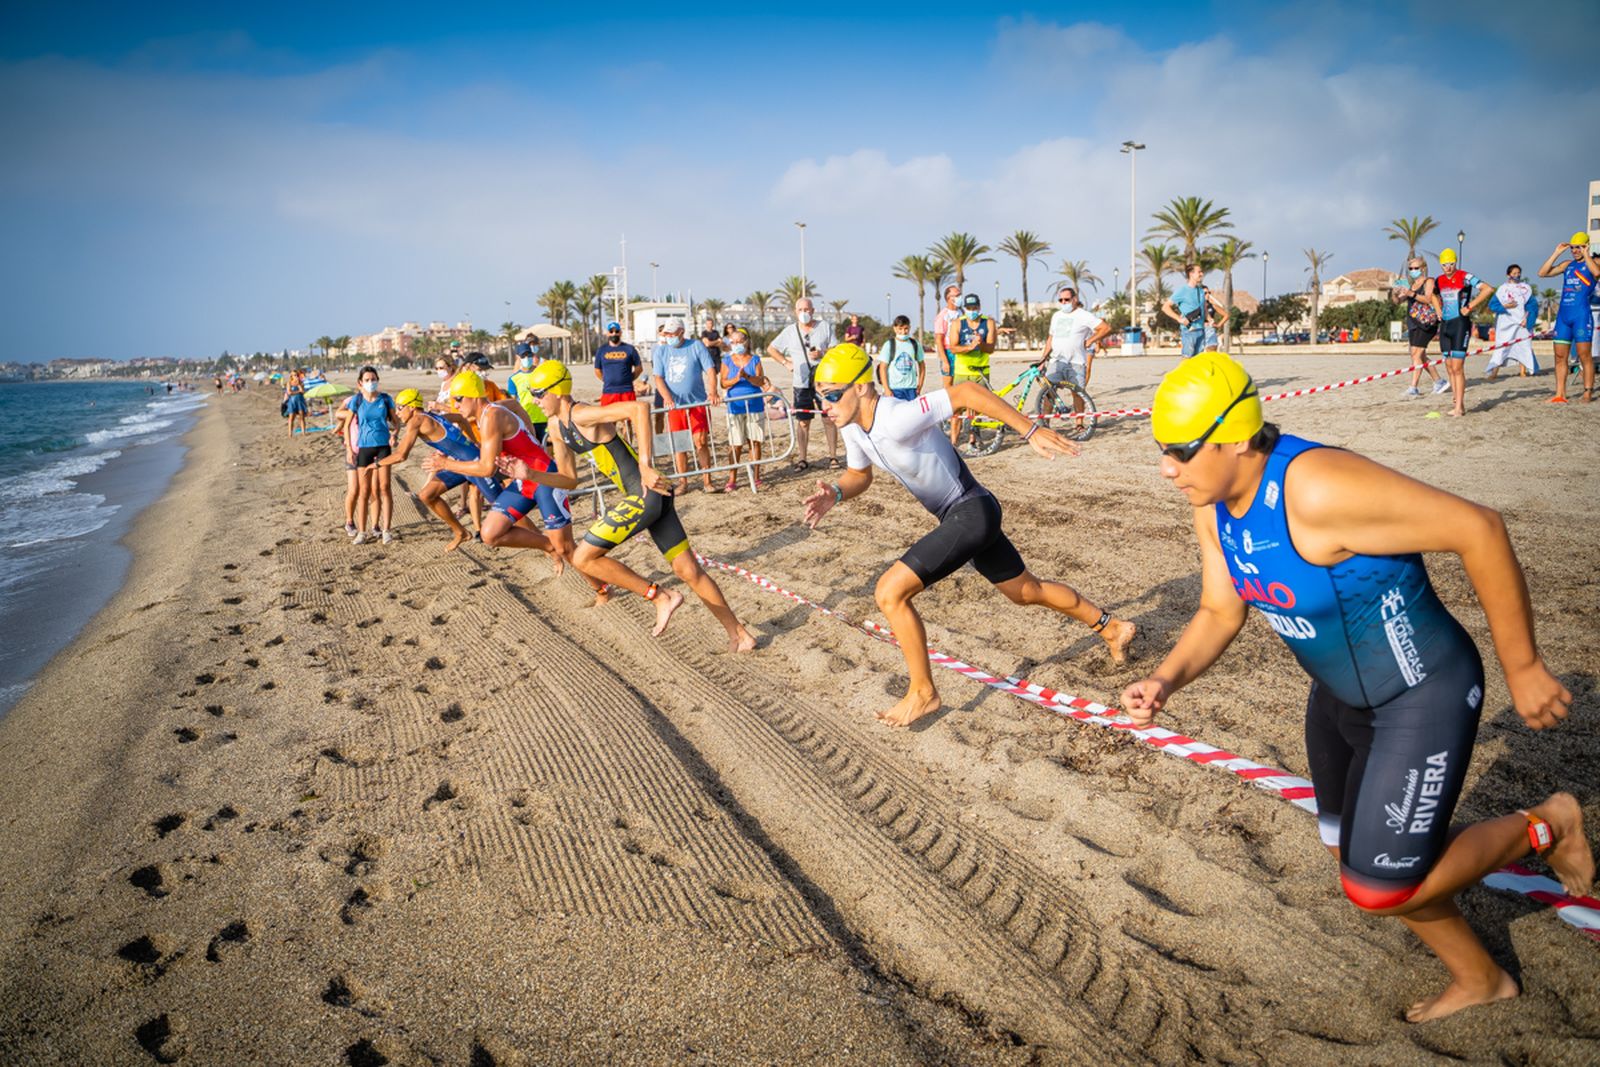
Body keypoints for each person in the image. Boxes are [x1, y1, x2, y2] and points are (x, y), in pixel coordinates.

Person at [1124, 351, 1591, 1023]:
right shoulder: (1214, 500)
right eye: (1162, 451)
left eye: (1180, 451)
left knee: (1377, 887)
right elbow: (1220, 610)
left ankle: (1549, 824)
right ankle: (1482, 977)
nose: (1167, 468)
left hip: (1421, 692)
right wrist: (1164, 679)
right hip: (1339, 697)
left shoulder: (1319, 489)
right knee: (1353, 849)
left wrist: (1523, 667)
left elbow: (1479, 528)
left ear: (1235, 438)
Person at [801, 345, 1136, 728]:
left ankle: (923, 692)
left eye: (831, 395)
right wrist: (836, 493)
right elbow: (859, 475)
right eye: (820, 397)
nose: (825, 406)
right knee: (1026, 591)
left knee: (890, 593)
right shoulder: (852, 428)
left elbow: (966, 392)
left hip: (971, 511)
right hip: (963, 515)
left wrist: (1029, 430)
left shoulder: (896, 417)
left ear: (861, 387)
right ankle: (1112, 627)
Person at [519, 359, 756, 651]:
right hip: (653, 494)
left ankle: (661, 596)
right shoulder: (556, 427)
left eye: (539, 393)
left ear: (557, 391)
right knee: (688, 571)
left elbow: (639, 409)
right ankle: (740, 635)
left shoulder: (582, 414)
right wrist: (531, 475)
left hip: (645, 494)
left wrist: (645, 464)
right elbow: (569, 479)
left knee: (582, 558)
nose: (535, 400)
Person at [424, 371, 596, 586]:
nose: (455, 405)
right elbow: (515, 405)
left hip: (544, 477)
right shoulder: (489, 411)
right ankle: (548, 545)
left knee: (566, 548)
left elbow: (487, 469)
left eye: (458, 399)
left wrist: (445, 464)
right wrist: (529, 434)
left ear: (474, 396)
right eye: (452, 400)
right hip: (523, 480)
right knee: (490, 534)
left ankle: (601, 588)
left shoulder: (492, 416)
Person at [379, 389, 499, 552]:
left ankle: (533, 537)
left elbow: (401, 455)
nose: (397, 413)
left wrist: (376, 464)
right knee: (426, 495)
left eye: (400, 407)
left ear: (412, 407)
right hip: (461, 465)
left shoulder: (416, 420)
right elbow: (460, 418)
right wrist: (473, 441)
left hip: (475, 464)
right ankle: (461, 532)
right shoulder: (432, 416)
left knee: (504, 508)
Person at [766, 297, 836, 470]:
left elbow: (836, 349)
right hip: (800, 382)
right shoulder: (790, 331)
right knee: (803, 421)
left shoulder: (824, 327)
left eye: (807, 309)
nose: (804, 313)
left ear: (813, 311)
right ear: (795, 312)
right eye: (800, 310)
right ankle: (803, 459)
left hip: (823, 381)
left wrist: (822, 353)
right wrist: (785, 363)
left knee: (828, 419)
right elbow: (771, 349)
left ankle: (833, 457)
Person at [651, 319, 721, 493]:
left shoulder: (696, 346)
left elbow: (710, 370)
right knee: (680, 445)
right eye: (666, 333)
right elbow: (658, 378)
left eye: (672, 333)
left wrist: (713, 392)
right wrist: (667, 398)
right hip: (675, 406)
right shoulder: (661, 351)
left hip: (697, 403)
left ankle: (707, 481)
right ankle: (683, 482)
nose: (669, 336)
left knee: (701, 442)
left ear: (681, 332)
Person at [335, 366, 400, 544]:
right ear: (360, 382)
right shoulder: (356, 401)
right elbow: (346, 426)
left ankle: (386, 530)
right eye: (367, 380)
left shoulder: (385, 399)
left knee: (384, 488)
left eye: (373, 379)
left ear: (377, 380)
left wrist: (394, 435)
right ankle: (362, 532)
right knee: (364, 491)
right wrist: (349, 449)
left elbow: (396, 422)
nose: (371, 382)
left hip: (383, 448)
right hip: (364, 448)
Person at [1536, 232, 1597, 403]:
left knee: (1584, 355)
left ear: (1586, 246)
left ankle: (1587, 391)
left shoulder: (1593, 263)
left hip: (1581, 316)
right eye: (1573, 248)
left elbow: (1597, 273)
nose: (1575, 251)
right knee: (1559, 356)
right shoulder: (1567, 265)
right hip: (1563, 316)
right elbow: (1542, 273)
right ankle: (1560, 394)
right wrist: (1557, 253)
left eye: (1579, 247)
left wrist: (1586, 254)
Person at [1434, 249, 1491, 417]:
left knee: (1457, 367)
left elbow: (1487, 289)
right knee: (1449, 366)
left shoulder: (1465, 276)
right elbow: (1433, 295)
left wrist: (1470, 306)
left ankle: (1459, 407)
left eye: (1451, 264)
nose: (1448, 267)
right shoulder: (1439, 280)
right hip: (1445, 326)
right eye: (1444, 265)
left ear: (1455, 262)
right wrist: (1438, 310)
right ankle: (1457, 403)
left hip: (1460, 325)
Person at [1039, 286, 1111, 417]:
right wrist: (1042, 359)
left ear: (1075, 299)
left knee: (1077, 393)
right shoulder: (1056, 316)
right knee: (1049, 393)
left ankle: (1079, 423)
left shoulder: (1084, 315)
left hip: (1076, 362)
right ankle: (1045, 423)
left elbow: (1105, 328)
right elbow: (1050, 338)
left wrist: (1090, 341)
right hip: (1056, 361)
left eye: (1066, 299)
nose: (1063, 302)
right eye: (1061, 300)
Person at [944, 294, 996, 451]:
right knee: (957, 408)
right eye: (969, 308)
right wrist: (969, 347)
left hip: (981, 372)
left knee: (977, 408)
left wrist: (980, 344)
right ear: (964, 308)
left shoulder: (989, 322)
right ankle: (953, 441)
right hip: (962, 372)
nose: (972, 311)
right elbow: (953, 348)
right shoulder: (957, 323)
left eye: (974, 308)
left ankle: (973, 440)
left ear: (979, 307)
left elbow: (991, 348)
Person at [1390, 258, 1448, 397]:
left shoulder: (1429, 281)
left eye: (1416, 268)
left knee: (1416, 354)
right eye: (1411, 268)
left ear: (1423, 268)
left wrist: (1412, 294)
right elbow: (1398, 301)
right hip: (1413, 323)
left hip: (1426, 323)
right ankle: (1439, 381)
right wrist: (1395, 292)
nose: (1413, 271)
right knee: (1419, 355)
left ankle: (1413, 388)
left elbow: (1428, 299)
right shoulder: (1411, 285)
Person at [719, 327, 767, 492]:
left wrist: (747, 376)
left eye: (739, 341)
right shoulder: (727, 360)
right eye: (733, 342)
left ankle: (756, 476)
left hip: (754, 405)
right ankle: (732, 478)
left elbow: (761, 381)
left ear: (746, 342)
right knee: (735, 443)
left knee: (754, 441)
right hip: (735, 406)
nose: (737, 344)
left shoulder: (755, 359)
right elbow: (723, 383)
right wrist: (736, 378)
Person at [1162, 264, 1230, 359]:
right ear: (1191, 274)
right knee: (1187, 359)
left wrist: (1209, 319)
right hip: (1189, 330)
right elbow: (1165, 307)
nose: (1202, 274)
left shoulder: (1201, 291)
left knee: (1198, 360)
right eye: (1199, 272)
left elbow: (1204, 308)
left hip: (1201, 330)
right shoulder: (1182, 291)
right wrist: (1179, 319)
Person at [1485, 265, 1539, 380]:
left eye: (1518, 273)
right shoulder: (1502, 289)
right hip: (1505, 323)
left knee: (1523, 345)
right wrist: (1505, 306)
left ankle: (1523, 371)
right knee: (1501, 347)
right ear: (1508, 275)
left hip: (1521, 322)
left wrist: (1528, 319)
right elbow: (1492, 305)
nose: (1517, 275)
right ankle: (1494, 373)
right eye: (1514, 273)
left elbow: (1532, 306)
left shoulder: (1525, 288)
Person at [506, 341, 552, 442]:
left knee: (548, 447)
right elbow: (512, 402)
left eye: (529, 355)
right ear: (518, 357)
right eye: (523, 356)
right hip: (526, 421)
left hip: (545, 418)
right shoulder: (513, 379)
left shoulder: (541, 373)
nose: (527, 358)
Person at [874, 315, 925, 401]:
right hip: (894, 388)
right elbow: (883, 368)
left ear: (909, 327)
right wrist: (886, 389)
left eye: (906, 329)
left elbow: (922, 366)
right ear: (895, 329)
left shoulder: (915, 344)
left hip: (911, 389)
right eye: (900, 329)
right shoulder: (889, 345)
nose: (903, 332)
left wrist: (920, 385)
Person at [594, 320, 644, 407]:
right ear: (608, 333)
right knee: (608, 415)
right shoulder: (601, 350)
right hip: (609, 391)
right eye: (611, 331)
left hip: (627, 391)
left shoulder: (630, 349)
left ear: (620, 333)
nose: (614, 334)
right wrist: (606, 379)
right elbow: (597, 370)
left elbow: (639, 368)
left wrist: (629, 378)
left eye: (616, 331)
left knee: (628, 415)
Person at [932, 284, 962, 388]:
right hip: (949, 352)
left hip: (961, 351)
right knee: (948, 385)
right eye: (957, 295)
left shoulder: (961, 313)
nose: (960, 297)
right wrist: (945, 361)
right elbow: (938, 340)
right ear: (949, 298)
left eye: (960, 295)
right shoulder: (943, 316)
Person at [283, 369, 309, 436]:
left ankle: (303, 432)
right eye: (294, 375)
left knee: (302, 417)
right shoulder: (289, 383)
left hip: (300, 401)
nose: (296, 376)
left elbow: (302, 391)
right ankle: (290, 434)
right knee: (291, 418)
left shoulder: (301, 383)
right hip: (292, 402)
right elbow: (289, 392)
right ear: (291, 376)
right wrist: (298, 391)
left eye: (297, 375)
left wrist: (298, 385)